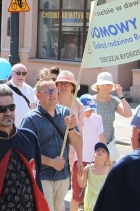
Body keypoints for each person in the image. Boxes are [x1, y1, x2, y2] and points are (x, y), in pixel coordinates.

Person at [21, 77, 81, 211]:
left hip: (63, 176)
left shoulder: (66, 113)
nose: (53, 94)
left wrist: (71, 128)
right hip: (42, 176)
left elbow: (76, 141)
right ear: (38, 96)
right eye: (48, 91)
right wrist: (51, 162)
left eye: (54, 90)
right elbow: (26, 152)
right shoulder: (31, 119)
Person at [54, 70, 84, 211]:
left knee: (62, 186)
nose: (63, 86)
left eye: (67, 83)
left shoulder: (78, 105)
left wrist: (80, 159)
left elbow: (79, 135)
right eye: (60, 83)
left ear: (73, 86)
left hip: (69, 152)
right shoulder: (51, 101)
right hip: (50, 147)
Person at [92, 72, 132, 146]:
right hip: (93, 143)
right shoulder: (91, 100)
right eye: (103, 84)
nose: (105, 87)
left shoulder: (114, 101)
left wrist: (121, 95)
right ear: (98, 86)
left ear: (111, 87)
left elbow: (128, 114)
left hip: (109, 143)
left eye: (108, 85)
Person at [78, 142, 111, 211]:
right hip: (89, 198)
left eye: (103, 151)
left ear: (107, 158)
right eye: (98, 150)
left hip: (101, 199)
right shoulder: (88, 169)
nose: (100, 152)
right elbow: (82, 184)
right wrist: (78, 175)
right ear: (93, 155)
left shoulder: (108, 170)